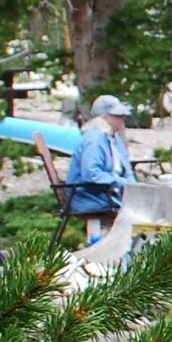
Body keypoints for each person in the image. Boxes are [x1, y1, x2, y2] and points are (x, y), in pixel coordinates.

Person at [44, 95, 132, 243]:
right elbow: (91, 174)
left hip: (110, 195)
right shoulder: (94, 139)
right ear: (104, 117)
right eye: (117, 116)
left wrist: (134, 187)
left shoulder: (113, 138)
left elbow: (127, 169)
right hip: (91, 197)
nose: (122, 120)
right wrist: (122, 183)